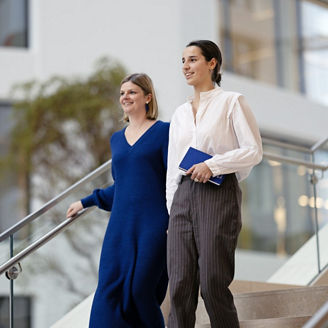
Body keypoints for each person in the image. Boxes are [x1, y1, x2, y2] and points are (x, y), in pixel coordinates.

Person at [166, 40, 263, 328]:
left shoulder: (232, 101)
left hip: (218, 193)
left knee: (211, 282)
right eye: (183, 60)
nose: (185, 66)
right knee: (180, 286)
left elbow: (253, 150)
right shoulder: (180, 113)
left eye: (193, 59)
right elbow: (173, 167)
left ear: (212, 63)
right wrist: (172, 211)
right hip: (183, 197)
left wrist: (213, 164)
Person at [66, 73, 170, 328]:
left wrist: (175, 219)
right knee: (110, 290)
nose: (125, 97)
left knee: (140, 290)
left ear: (147, 97)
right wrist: (87, 201)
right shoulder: (117, 139)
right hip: (121, 227)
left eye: (132, 92)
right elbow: (123, 188)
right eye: (122, 93)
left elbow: (174, 181)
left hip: (154, 225)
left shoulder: (165, 131)